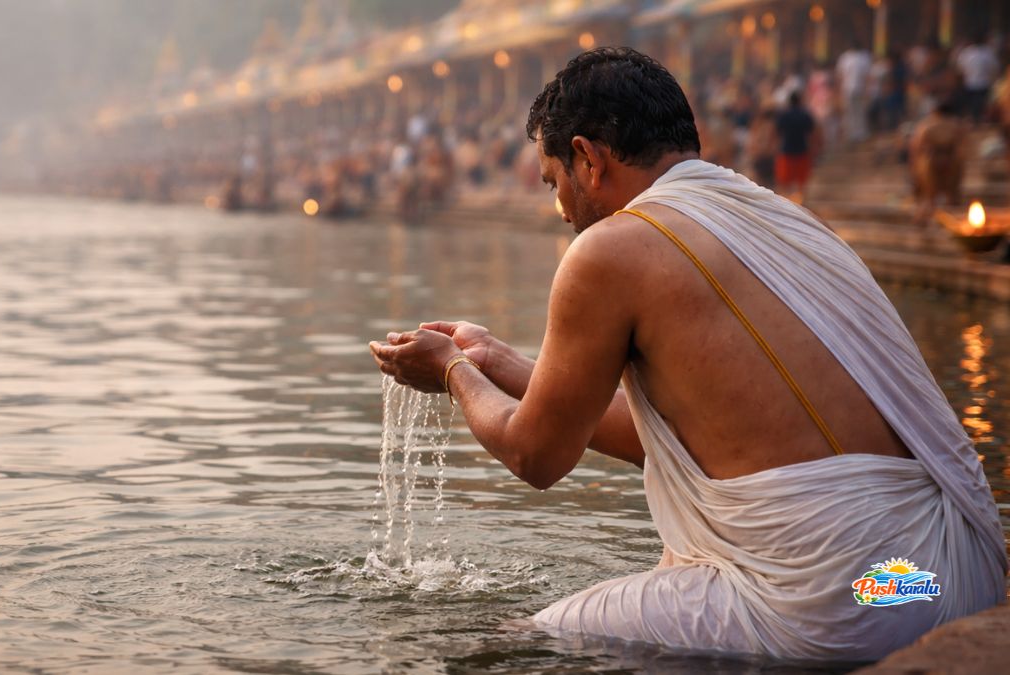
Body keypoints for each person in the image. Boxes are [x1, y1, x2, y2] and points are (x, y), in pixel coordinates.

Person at [369, 47, 1005, 662]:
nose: (560, 209)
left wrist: (451, 373)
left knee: (514, 646)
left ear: (587, 159)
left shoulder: (611, 249)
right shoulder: (779, 219)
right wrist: (497, 360)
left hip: (844, 601)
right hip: (933, 580)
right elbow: (678, 439)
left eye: (553, 181)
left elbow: (534, 455)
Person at [909, 97, 968, 225]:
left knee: (931, 198)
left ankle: (927, 220)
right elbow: (962, 151)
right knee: (949, 196)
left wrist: (915, 171)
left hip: (931, 162)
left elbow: (916, 149)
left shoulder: (926, 126)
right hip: (947, 162)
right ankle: (949, 223)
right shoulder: (956, 125)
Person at [774, 90, 819, 202]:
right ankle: (802, 204)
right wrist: (814, 148)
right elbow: (813, 133)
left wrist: (775, 147)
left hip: (786, 151)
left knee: (785, 183)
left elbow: (776, 133)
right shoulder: (805, 115)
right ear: (800, 101)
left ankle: (785, 204)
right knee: (801, 184)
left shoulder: (784, 115)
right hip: (802, 151)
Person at [956, 33, 999, 122]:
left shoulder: (966, 52)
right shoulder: (988, 52)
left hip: (970, 84)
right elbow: (994, 69)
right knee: (981, 107)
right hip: (984, 84)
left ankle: (974, 120)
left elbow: (960, 69)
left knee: (973, 107)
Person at [837, 40, 873, 142]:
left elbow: (841, 76)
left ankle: (857, 132)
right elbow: (842, 75)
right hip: (853, 88)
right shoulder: (851, 57)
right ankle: (855, 133)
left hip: (853, 88)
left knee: (856, 111)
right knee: (854, 111)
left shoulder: (851, 57)